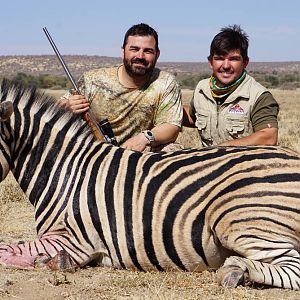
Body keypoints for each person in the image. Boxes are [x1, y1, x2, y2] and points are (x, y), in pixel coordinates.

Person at [60, 23, 183, 152]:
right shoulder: (92, 80)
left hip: (141, 153)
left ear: (157, 54)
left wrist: (144, 138)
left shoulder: (166, 82)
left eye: (148, 51)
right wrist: (67, 106)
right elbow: (58, 106)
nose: (140, 56)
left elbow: (171, 126)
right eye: (134, 49)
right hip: (93, 153)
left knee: (173, 150)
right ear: (123, 51)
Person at [183, 24, 279, 147]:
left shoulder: (258, 95)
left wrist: (221, 149)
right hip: (207, 164)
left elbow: (268, 137)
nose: (226, 65)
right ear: (210, 62)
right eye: (219, 58)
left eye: (233, 59)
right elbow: (193, 117)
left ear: (245, 62)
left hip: (245, 164)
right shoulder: (202, 89)